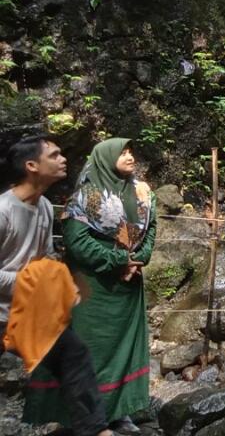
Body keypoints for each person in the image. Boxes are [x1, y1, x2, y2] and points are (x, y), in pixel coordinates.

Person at [26, 139, 155, 436]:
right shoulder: (85, 196)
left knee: (126, 348)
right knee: (91, 349)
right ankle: (85, 416)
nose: (130, 156)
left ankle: (120, 411)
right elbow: (76, 241)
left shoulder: (144, 193)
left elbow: (151, 231)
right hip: (94, 284)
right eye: (122, 152)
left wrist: (139, 259)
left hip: (129, 285)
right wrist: (118, 260)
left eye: (131, 151)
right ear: (106, 157)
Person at [0, 136, 115, 436]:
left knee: (73, 355)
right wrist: (27, 281)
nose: (63, 159)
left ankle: (96, 430)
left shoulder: (46, 208)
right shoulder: (2, 211)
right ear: (32, 166)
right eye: (54, 155)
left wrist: (63, 284)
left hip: (29, 313)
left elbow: (46, 256)